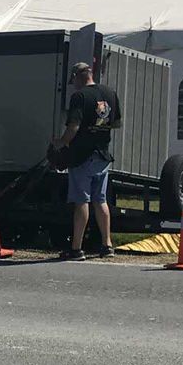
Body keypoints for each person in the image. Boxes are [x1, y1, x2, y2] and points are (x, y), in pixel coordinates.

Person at [53, 59, 121, 259]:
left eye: (73, 80)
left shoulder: (80, 96)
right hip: (103, 154)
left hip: (82, 156)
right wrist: (99, 128)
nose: (73, 85)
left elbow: (73, 126)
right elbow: (116, 123)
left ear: (77, 77)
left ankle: (76, 248)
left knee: (81, 200)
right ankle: (107, 245)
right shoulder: (110, 93)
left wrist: (61, 142)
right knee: (100, 200)